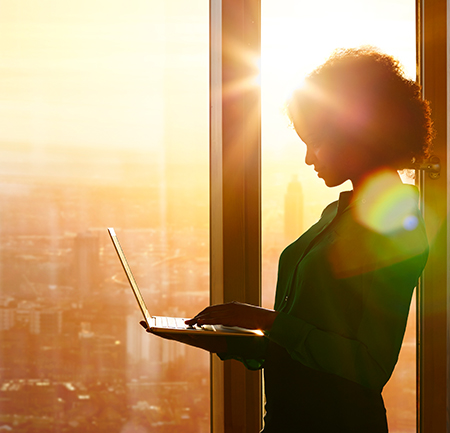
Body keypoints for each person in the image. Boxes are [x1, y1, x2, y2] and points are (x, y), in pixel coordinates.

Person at [143, 46, 433, 432]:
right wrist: (231, 338)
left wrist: (266, 321)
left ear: (356, 133)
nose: (309, 159)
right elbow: (305, 339)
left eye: (314, 141)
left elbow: (368, 364)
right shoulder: (336, 214)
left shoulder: (397, 223)